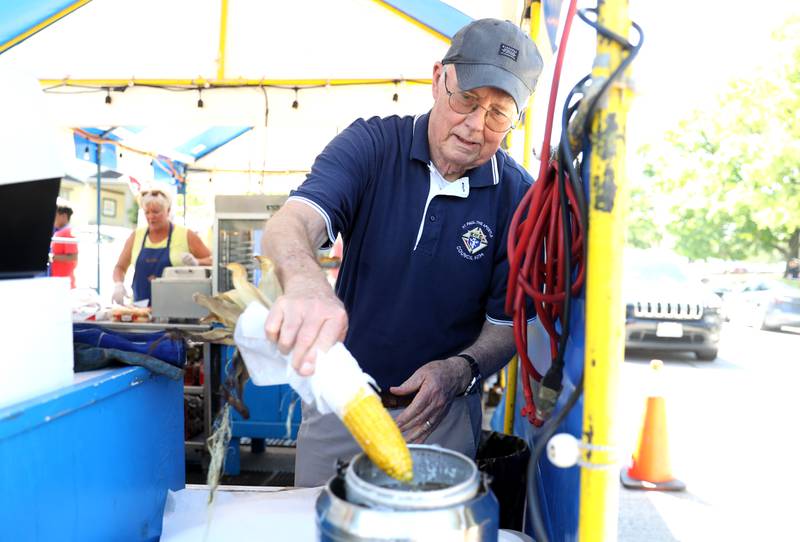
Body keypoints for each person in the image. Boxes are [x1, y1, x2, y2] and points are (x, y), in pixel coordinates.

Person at [260, 19, 543, 487]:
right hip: (341, 403)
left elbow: (507, 326)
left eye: (499, 114)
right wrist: (306, 281)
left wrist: (459, 371)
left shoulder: (518, 198)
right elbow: (291, 223)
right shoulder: (373, 145)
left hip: (443, 418)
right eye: (466, 100)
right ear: (438, 79)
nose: (476, 126)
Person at [112, 188, 212, 305]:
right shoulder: (136, 236)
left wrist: (197, 262)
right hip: (141, 309)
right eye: (147, 212)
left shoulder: (186, 235)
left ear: (168, 210)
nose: (151, 217)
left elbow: (212, 260)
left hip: (178, 309)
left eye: (155, 212)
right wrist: (118, 284)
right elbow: (120, 267)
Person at [50, 201, 78, 288]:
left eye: (55, 215)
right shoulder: (60, 232)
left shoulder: (68, 232)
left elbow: (73, 257)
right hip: (59, 281)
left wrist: (51, 257)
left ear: (64, 216)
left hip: (65, 283)